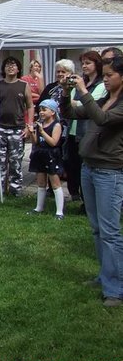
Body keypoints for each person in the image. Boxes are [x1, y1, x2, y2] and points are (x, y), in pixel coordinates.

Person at [59, 57, 123, 307]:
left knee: (110, 232)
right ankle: (105, 275)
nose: (105, 79)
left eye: (109, 75)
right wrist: (66, 93)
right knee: (97, 229)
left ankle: (115, 289)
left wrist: (83, 91)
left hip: (109, 172)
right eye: (104, 75)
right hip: (89, 168)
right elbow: (71, 113)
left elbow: (102, 119)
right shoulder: (105, 99)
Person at [0, 57, 34, 199]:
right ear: (4, 69)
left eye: (13, 65)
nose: (10, 67)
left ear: (18, 69)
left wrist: (29, 125)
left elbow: (30, 106)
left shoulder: (24, 85)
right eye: (7, 65)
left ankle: (15, 191)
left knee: (16, 162)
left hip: (17, 129)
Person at [64, 51, 105, 205]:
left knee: (85, 167)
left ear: (97, 65)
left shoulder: (101, 85)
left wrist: (78, 98)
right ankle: (77, 195)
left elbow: (91, 105)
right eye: (83, 63)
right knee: (72, 165)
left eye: (88, 63)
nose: (84, 66)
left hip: (87, 132)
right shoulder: (82, 82)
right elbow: (70, 104)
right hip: (73, 131)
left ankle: (87, 201)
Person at [26, 99, 65, 219]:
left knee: (55, 182)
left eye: (44, 109)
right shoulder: (40, 124)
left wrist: (42, 132)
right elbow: (36, 142)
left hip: (51, 154)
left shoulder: (56, 125)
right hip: (40, 153)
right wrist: (32, 133)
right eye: (40, 110)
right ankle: (39, 207)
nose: (41, 112)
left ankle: (59, 212)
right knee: (41, 182)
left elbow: (53, 142)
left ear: (53, 112)